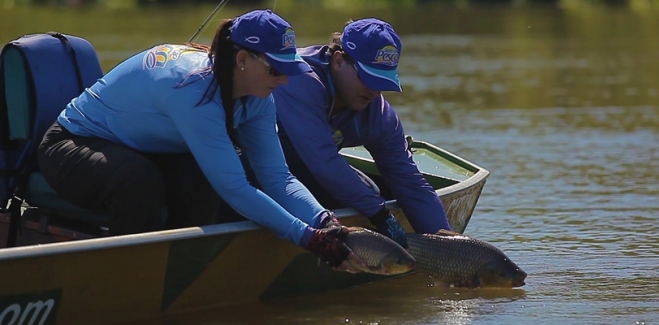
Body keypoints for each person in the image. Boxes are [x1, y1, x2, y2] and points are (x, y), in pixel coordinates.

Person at [37, 9, 364, 272]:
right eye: (275, 69)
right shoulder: (194, 90)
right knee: (139, 181)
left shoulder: (261, 96)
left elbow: (278, 177)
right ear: (243, 60)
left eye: (289, 70)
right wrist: (309, 239)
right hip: (72, 144)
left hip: (140, 147)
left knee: (199, 180)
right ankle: (129, 277)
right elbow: (235, 188)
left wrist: (325, 221)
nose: (283, 79)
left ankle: (185, 275)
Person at [272, 18, 453, 248]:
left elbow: (409, 182)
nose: (374, 91)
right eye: (367, 78)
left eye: (381, 82)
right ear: (338, 60)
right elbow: (323, 161)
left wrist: (445, 241)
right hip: (247, 168)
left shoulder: (379, 114)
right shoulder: (297, 78)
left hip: (301, 171)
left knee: (371, 191)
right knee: (367, 198)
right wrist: (379, 215)